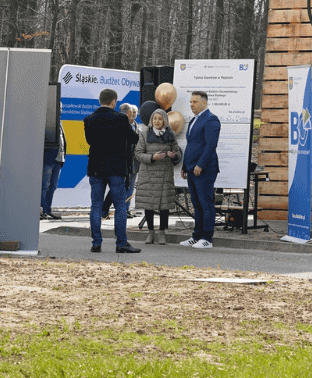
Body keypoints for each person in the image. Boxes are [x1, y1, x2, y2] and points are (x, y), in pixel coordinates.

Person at [83, 89, 139, 254]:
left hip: (96, 167)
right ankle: (121, 243)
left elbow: (90, 141)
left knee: (96, 205)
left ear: (100, 100)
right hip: (116, 167)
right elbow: (134, 138)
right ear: (114, 101)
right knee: (121, 205)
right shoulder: (121, 118)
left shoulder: (89, 119)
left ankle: (96, 243)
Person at [180, 91, 220, 249]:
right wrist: (184, 166)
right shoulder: (193, 121)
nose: (191, 104)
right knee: (196, 203)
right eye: (190, 102)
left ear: (204, 103)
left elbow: (211, 145)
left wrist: (200, 165)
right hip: (191, 169)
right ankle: (196, 236)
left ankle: (207, 238)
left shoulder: (211, 119)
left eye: (195, 102)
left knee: (205, 203)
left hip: (204, 169)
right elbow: (191, 146)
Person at [135, 108, 181, 244]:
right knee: (148, 205)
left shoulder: (170, 134)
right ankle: (150, 232)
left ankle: (162, 232)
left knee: (164, 205)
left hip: (165, 174)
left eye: (160, 119)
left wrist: (174, 155)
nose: (157, 121)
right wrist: (152, 157)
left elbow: (178, 153)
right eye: (155, 119)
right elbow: (138, 153)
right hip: (148, 174)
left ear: (164, 121)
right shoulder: (144, 134)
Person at [41, 107, 66, 221]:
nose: (60, 110)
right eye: (58, 108)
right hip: (49, 159)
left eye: (60, 108)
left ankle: (47, 210)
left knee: (53, 186)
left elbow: (62, 142)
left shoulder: (59, 122)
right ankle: (41, 210)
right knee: (44, 186)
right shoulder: (47, 121)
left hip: (59, 160)